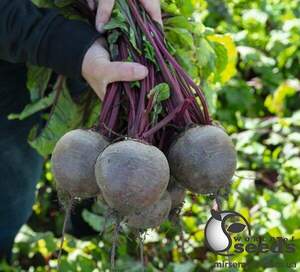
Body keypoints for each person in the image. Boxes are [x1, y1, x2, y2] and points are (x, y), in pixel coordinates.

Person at [0, 0, 162, 260]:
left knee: (96, 161)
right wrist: (77, 50)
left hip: (96, 46)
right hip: (10, 48)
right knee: (11, 186)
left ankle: (83, 228)